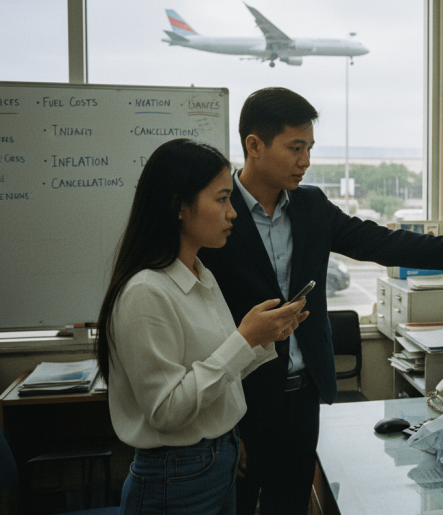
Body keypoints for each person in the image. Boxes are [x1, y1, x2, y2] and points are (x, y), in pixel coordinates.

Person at [198, 87, 443, 515]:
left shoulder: (311, 206)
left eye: (310, 148)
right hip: (240, 403)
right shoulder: (216, 211)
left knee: (290, 506)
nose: (306, 160)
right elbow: (198, 319)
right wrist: (218, 423)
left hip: (303, 398)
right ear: (254, 146)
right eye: (295, 148)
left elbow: (381, 241)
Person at [96, 139, 309, 515]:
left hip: (216, 457)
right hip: (175, 475)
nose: (233, 214)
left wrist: (264, 338)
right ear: (179, 205)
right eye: (222, 199)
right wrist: (244, 338)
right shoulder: (146, 292)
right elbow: (167, 410)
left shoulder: (199, 273)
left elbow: (216, 372)